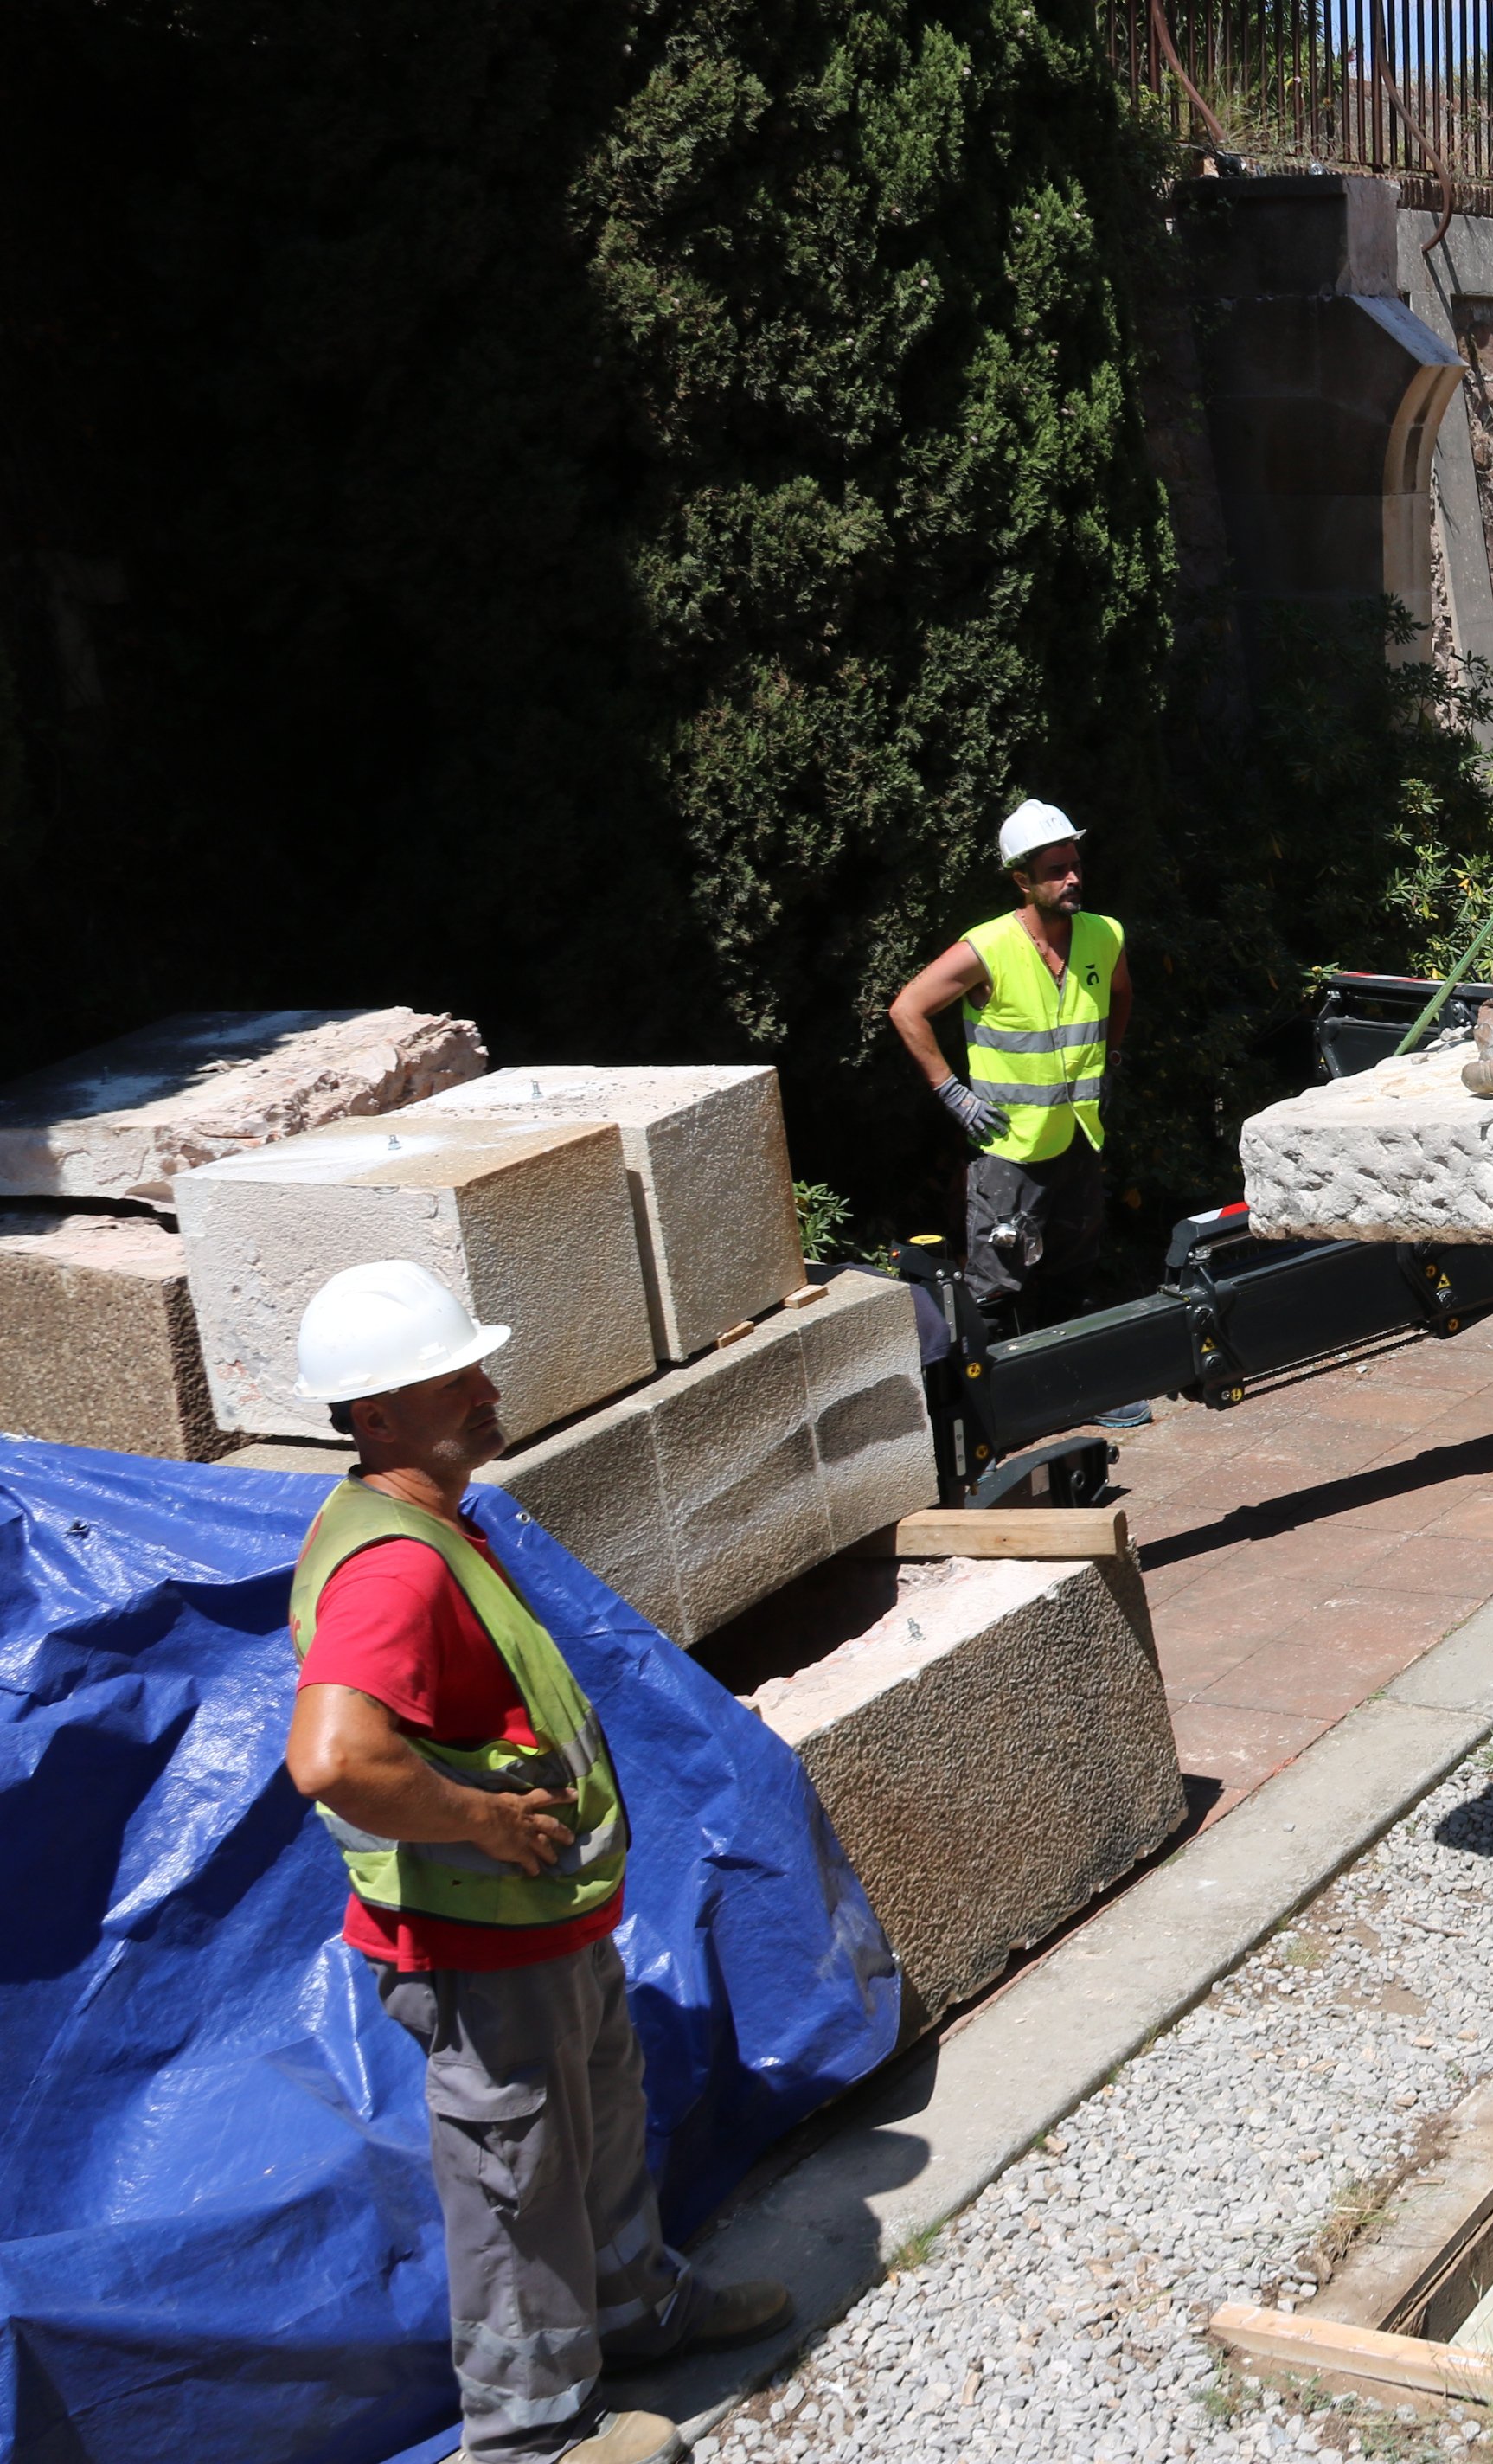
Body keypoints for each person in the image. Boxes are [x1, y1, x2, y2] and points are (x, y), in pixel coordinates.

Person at [281, 1261, 789, 2464]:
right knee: (512, 2185)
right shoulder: (395, 1566)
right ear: (374, 1416)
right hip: (476, 1940)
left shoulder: (427, 1520)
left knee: (598, 2127)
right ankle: (532, 2436)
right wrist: (484, 1822)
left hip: (536, 1928)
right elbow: (333, 1756)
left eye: (473, 1368)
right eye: (453, 1380)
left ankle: (636, 2314)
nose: (486, 1390)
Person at [886, 799, 1130, 1341]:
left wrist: (1110, 1061)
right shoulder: (988, 948)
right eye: (1055, 872)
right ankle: (1000, 1409)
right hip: (1009, 1149)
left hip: (1079, 1138)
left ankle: (1074, 1389)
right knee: (997, 1284)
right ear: (1022, 879)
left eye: (1076, 866)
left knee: (1073, 1271)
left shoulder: (1104, 935)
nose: (1072, 879)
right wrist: (952, 1093)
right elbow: (907, 1009)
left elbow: (1121, 995)